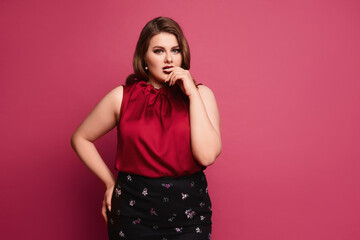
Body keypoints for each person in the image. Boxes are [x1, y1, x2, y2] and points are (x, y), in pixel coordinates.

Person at [71, 16, 221, 240]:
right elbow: (80, 138)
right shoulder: (122, 97)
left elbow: (207, 156)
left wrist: (190, 92)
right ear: (144, 57)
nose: (169, 59)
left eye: (176, 50)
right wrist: (109, 182)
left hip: (189, 216)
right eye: (159, 51)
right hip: (133, 214)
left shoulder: (201, 95)